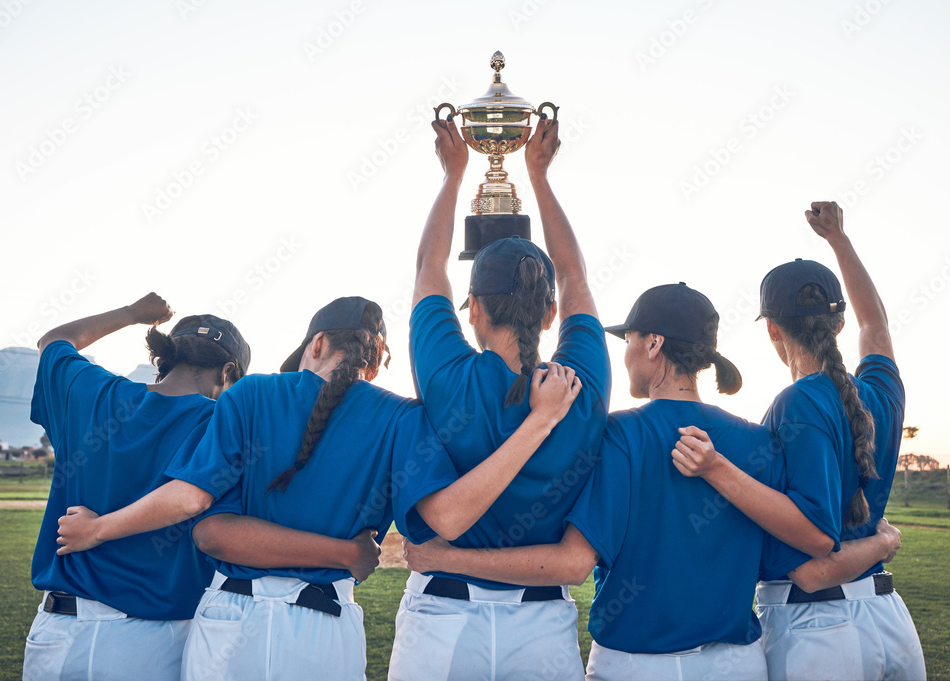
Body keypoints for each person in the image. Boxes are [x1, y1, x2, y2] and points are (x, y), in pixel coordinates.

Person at [57, 296, 582, 681]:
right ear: (376, 363)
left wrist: (100, 527)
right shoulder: (401, 416)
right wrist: (537, 425)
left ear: (317, 343)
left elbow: (207, 527)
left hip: (228, 625)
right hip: (325, 627)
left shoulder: (252, 394)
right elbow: (447, 519)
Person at [404, 283, 901, 681]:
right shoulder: (758, 441)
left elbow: (573, 562)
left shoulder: (620, 435)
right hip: (737, 663)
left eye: (630, 341)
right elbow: (801, 552)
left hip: (633, 662)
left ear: (655, 345)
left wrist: (444, 556)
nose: (626, 354)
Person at [387, 114, 611, 681]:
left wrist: (453, 173)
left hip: (442, 616)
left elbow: (427, 269)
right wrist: (539, 174)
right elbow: (576, 275)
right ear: (551, 313)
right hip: (540, 626)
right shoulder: (578, 383)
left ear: (475, 312)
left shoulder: (449, 377)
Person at [672, 202, 926, 680]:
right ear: (840, 324)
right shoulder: (881, 392)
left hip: (815, 629)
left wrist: (883, 542)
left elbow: (812, 570)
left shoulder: (794, 405)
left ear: (771, 329)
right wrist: (839, 240)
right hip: (891, 621)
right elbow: (878, 326)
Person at [23, 294, 252, 681]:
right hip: (147, 642)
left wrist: (133, 314)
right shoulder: (221, 423)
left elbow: (53, 341)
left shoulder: (92, 392)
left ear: (165, 359)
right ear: (228, 371)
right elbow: (189, 500)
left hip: (55, 632)